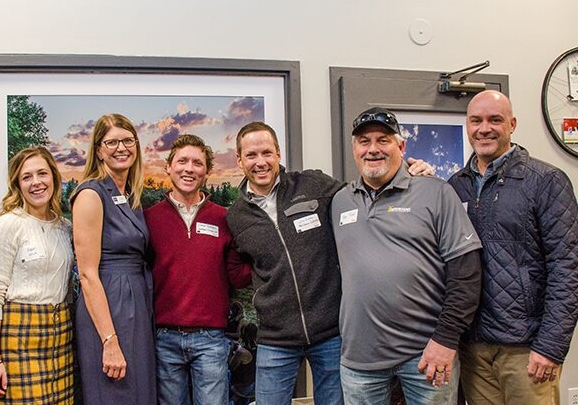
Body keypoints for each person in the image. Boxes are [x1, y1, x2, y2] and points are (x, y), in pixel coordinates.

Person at [225, 121, 432, 405]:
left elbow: (368, 194)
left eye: (266, 153)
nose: (260, 162)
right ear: (239, 159)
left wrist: (410, 175)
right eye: (251, 155)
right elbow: (239, 268)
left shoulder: (313, 185)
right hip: (276, 338)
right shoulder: (236, 215)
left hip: (330, 333)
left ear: (278, 154)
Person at [330, 107, 483, 405]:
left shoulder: (435, 192)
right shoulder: (340, 200)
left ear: (401, 146)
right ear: (354, 149)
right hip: (360, 359)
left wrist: (446, 339)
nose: (373, 149)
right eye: (364, 141)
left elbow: (466, 273)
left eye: (383, 140)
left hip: (426, 354)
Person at [448, 90, 578, 405]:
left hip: (526, 348)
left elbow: (567, 268)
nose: (484, 128)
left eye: (495, 120)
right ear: (467, 126)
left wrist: (550, 346)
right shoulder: (456, 186)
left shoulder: (545, 181)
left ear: (512, 124)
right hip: (474, 347)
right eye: (476, 121)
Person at [144, 134, 252, 405]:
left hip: (211, 339)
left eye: (197, 163)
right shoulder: (149, 219)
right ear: (168, 167)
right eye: (182, 161)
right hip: (163, 338)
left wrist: (272, 262)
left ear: (206, 171)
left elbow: (237, 276)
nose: (188, 169)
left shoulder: (224, 218)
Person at [71, 113, 156, 404]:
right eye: (112, 142)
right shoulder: (90, 195)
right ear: (98, 150)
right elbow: (87, 275)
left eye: (128, 140)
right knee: (114, 392)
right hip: (108, 305)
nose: (121, 148)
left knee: (138, 392)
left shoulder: (130, 195)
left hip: (137, 304)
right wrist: (109, 340)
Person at [0, 146, 75, 404]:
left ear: (53, 177)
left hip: (61, 336)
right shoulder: (8, 224)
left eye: (42, 173)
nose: (36, 183)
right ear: (17, 185)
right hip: (18, 336)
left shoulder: (64, 227)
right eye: (27, 177)